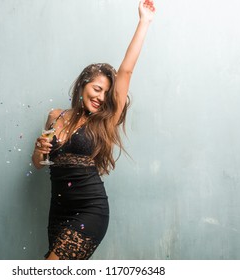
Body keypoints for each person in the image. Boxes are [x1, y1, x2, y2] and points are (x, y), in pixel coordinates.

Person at [32, 0, 155, 260]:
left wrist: (144, 21)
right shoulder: (56, 116)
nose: (100, 97)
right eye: (96, 89)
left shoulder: (105, 120)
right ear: (83, 85)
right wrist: (38, 151)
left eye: (106, 93)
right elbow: (39, 164)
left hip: (90, 210)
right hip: (58, 210)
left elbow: (127, 70)